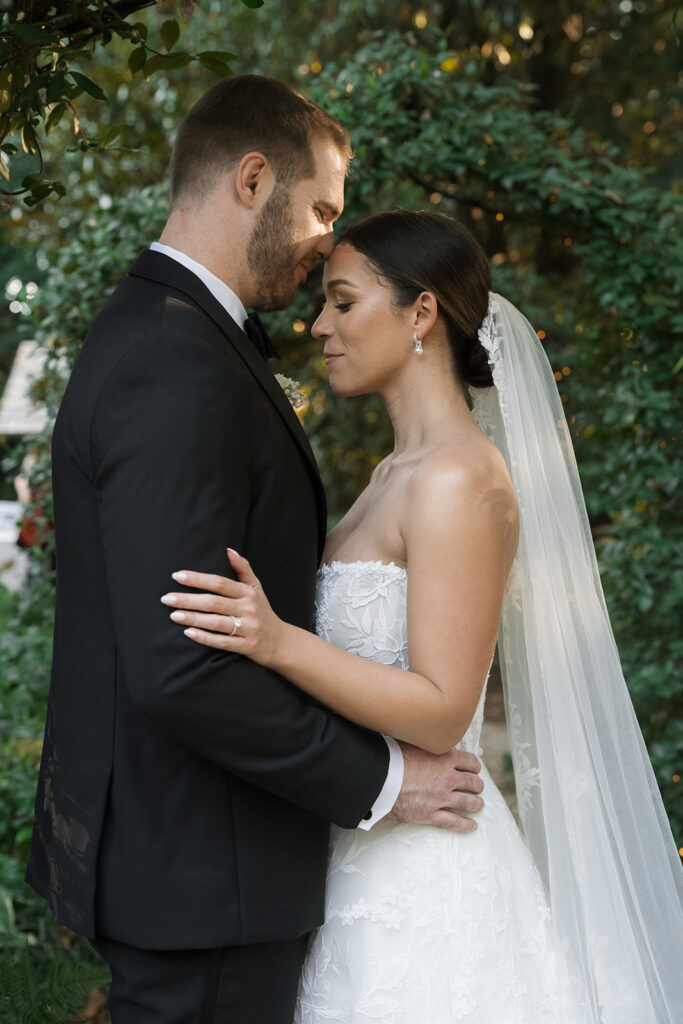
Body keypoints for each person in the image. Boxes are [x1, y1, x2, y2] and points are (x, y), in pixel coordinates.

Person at [24, 80, 486, 1024]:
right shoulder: (175, 358)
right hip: (205, 874)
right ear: (250, 179)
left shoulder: (180, 338)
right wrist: (388, 781)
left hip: (215, 872)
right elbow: (183, 667)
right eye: (321, 207)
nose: (326, 238)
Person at [164, 210, 683, 1022]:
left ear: (420, 314)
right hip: (357, 850)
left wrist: (276, 641)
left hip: (426, 888)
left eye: (341, 302)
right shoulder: (391, 473)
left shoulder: (458, 479)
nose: (318, 324)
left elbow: (442, 710)